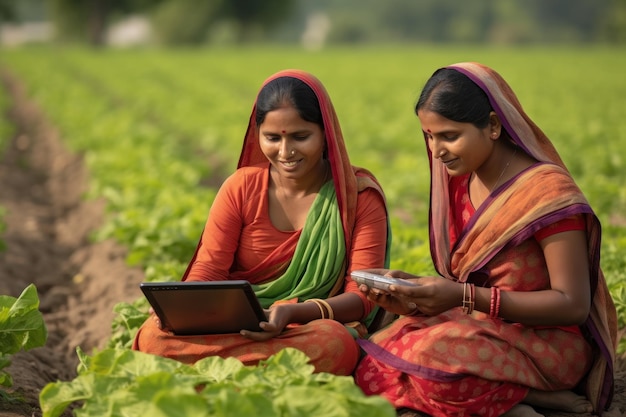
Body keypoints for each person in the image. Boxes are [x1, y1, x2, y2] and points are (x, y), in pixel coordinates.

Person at [353, 62, 617, 416]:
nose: (436, 150)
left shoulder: (547, 193)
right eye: (429, 136)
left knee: (431, 367)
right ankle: (517, 398)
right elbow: (468, 283)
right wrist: (415, 294)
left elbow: (572, 304)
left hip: (547, 342)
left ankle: (526, 396)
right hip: (480, 325)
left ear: (493, 126)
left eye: (449, 136)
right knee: (375, 361)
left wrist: (463, 297)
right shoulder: (461, 181)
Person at [132, 69, 391, 376]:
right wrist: (184, 311)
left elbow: (362, 295)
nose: (285, 152)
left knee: (336, 344)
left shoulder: (357, 197)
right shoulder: (241, 188)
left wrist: (293, 312)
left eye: (300, 136)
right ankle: (264, 375)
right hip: (238, 325)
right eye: (272, 138)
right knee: (153, 338)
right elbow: (210, 269)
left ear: (326, 135)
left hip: (307, 327)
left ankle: (217, 377)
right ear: (258, 136)